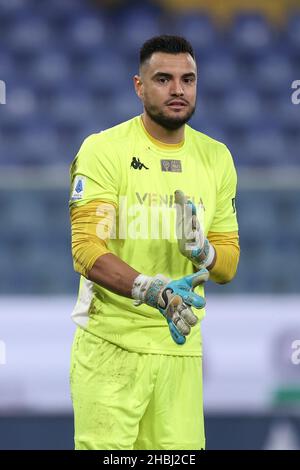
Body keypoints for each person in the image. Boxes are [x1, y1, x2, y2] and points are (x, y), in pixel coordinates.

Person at [69, 35, 240, 450]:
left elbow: (228, 265)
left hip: (179, 348)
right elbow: (88, 251)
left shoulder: (216, 157)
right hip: (113, 347)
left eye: (188, 79)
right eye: (163, 79)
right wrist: (155, 291)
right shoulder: (104, 150)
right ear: (138, 86)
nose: (178, 89)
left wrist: (205, 251)